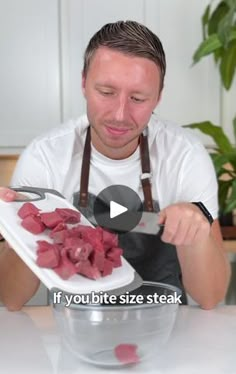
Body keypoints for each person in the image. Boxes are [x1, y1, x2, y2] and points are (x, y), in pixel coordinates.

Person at [0, 20, 230, 311]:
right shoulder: (45, 156)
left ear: (158, 96)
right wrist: (21, 225)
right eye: (106, 92)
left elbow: (210, 297)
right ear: (83, 83)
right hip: (75, 333)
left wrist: (194, 229)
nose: (120, 115)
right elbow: (11, 298)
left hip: (165, 333)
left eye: (138, 98)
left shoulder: (186, 156)